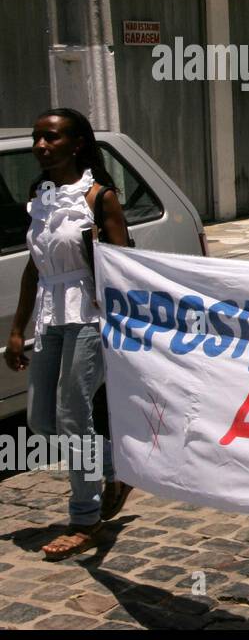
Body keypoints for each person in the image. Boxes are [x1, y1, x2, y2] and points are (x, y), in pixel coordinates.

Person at [5, 109, 133, 560]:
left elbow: (123, 266)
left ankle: (85, 517)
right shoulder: (38, 195)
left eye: (51, 138)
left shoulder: (100, 197)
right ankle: (115, 466)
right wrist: (18, 329)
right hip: (49, 313)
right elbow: (33, 266)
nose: (41, 146)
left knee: (74, 415)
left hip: (89, 314)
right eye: (37, 138)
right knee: (42, 420)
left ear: (76, 143)